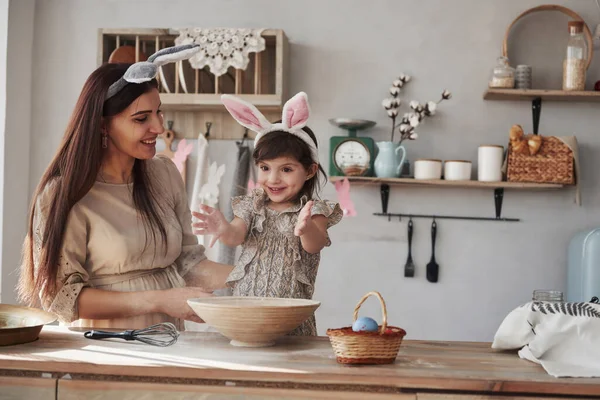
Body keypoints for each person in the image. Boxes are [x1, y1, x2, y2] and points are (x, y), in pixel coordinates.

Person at [18, 45, 232, 330]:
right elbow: (60, 298)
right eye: (141, 118)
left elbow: (188, 264)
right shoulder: (64, 195)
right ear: (103, 125)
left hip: (170, 342)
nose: (158, 126)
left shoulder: (165, 174)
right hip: (104, 349)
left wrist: (254, 274)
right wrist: (159, 300)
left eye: (158, 112)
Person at [192, 92, 342, 336]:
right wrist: (223, 229)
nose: (273, 179)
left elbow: (315, 245)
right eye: (265, 168)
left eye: (286, 169)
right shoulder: (253, 204)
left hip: (290, 319)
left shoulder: (314, 210)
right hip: (246, 310)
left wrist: (305, 229)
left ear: (310, 170)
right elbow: (236, 236)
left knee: (287, 371)